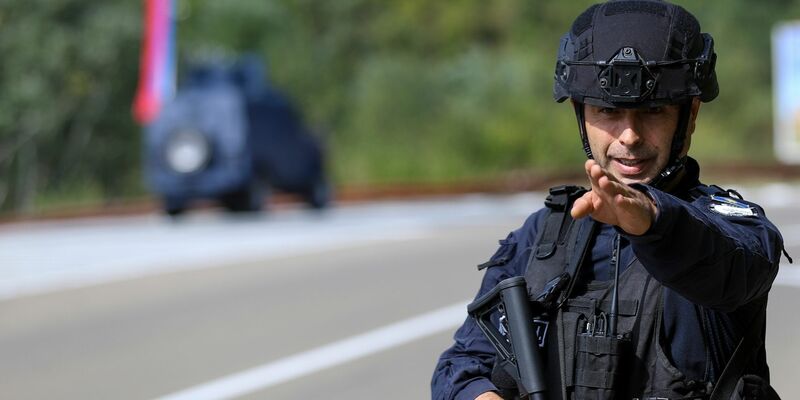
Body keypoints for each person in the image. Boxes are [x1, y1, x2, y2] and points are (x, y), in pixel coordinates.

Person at [431, 1, 790, 399]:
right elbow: (462, 368)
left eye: (653, 111)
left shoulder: (735, 230)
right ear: (579, 112)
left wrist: (654, 222)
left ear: (690, 115)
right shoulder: (543, 236)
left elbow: (729, 270)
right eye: (608, 111)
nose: (629, 136)